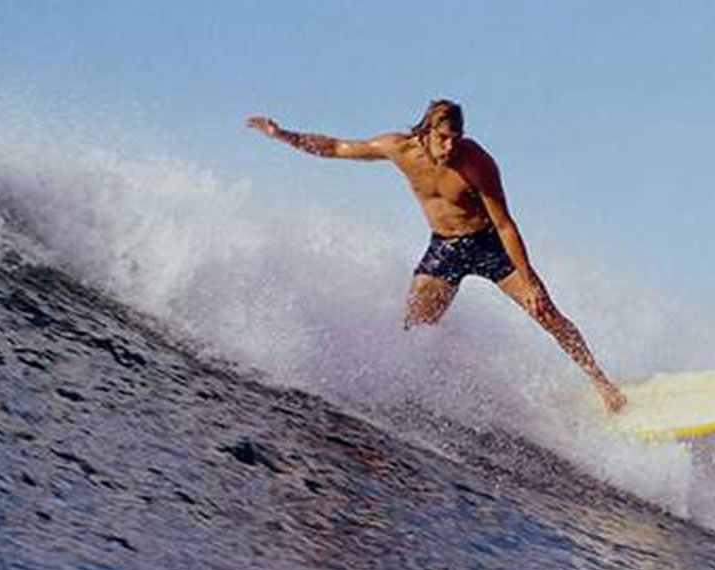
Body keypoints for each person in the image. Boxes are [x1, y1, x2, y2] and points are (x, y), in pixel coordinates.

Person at [246, 99, 626, 412]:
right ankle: (414, 401)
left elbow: (505, 224)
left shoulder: (476, 163)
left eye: (455, 139)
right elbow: (337, 148)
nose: (449, 148)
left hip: (488, 243)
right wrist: (284, 135)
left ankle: (602, 383)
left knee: (545, 312)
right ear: (425, 132)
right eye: (443, 138)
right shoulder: (399, 149)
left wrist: (529, 282)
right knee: (413, 333)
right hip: (444, 247)